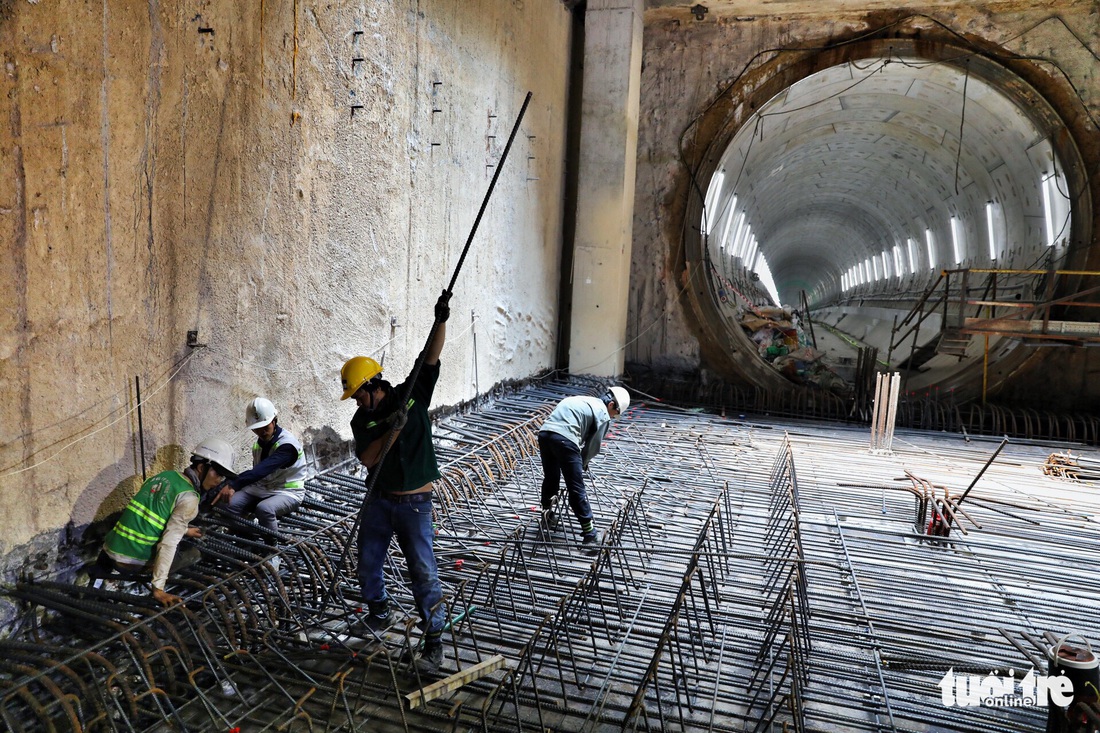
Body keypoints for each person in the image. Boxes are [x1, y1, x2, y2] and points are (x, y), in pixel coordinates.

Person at [339, 289, 452, 674]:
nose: (355, 402)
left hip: (415, 504)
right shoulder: (363, 421)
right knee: (368, 562)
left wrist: (441, 319)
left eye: (358, 395)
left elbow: (430, 354)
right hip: (379, 500)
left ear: (374, 386)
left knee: (423, 571)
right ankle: (378, 612)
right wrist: (393, 428)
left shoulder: (412, 393)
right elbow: (369, 457)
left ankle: (434, 640)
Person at [98, 436, 236, 605]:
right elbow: (168, 543)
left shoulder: (165, 476)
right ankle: (162, 582)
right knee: (194, 553)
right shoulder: (190, 498)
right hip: (132, 560)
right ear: (201, 467)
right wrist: (158, 589)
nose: (219, 481)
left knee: (182, 538)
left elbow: (155, 517)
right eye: (218, 474)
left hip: (111, 548)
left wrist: (186, 530)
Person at [537, 386, 630, 550]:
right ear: (611, 405)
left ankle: (547, 515)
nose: (613, 417)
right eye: (615, 414)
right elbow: (593, 446)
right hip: (566, 440)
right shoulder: (602, 413)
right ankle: (590, 535)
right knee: (576, 487)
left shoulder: (582, 400)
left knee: (551, 477)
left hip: (545, 434)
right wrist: (583, 464)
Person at [211, 397, 308, 535]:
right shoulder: (259, 444)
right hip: (261, 487)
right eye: (256, 428)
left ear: (274, 421)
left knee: (264, 509)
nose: (261, 431)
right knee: (228, 505)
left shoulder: (287, 446)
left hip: (286, 492)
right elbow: (257, 473)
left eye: (265, 426)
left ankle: (271, 549)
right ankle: (246, 539)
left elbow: (261, 470)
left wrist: (234, 484)